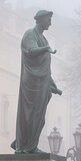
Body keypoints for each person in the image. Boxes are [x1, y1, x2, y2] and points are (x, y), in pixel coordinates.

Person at [11, 10, 62, 153]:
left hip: (41, 82)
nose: (50, 23)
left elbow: (45, 69)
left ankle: (31, 145)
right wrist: (45, 49)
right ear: (40, 19)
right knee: (31, 114)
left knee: (39, 116)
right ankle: (27, 146)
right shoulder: (30, 34)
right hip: (31, 82)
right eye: (48, 20)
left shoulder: (44, 39)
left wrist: (53, 85)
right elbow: (31, 50)